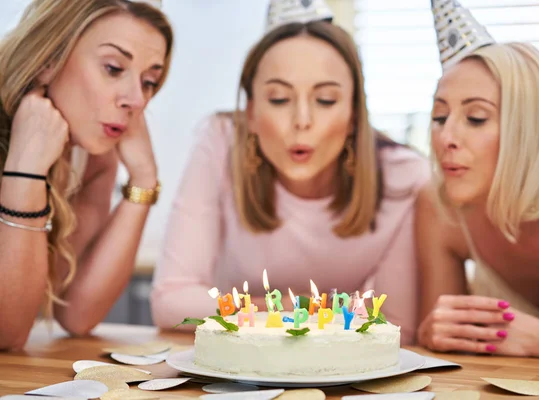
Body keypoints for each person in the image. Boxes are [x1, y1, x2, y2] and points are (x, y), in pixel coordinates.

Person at [151, 1, 429, 344]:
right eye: (280, 99)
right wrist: (284, 310)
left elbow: (396, 326)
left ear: (355, 113)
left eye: (325, 100)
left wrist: (263, 313)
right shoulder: (221, 141)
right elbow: (171, 301)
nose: (302, 120)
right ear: (251, 112)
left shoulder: (404, 177)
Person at [417, 0, 539, 362]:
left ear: (532, 129)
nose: (446, 136)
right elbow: (446, 360)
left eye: (477, 118)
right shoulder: (440, 206)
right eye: (440, 116)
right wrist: (432, 333)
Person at [0, 0, 172, 351]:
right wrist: (25, 169)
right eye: (113, 68)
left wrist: (143, 180)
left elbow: (77, 313)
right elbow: (6, 334)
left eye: (149, 81)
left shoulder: (89, 155)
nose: (136, 99)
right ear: (48, 60)